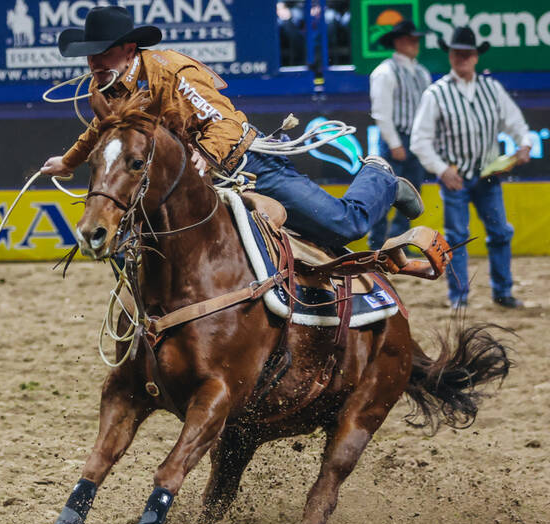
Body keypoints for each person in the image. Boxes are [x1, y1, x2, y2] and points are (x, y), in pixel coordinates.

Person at [41, 6, 423, 251]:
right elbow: (104, 128)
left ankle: (379, 178)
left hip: (246, 166)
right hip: (190, 180)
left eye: (101, 51)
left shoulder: (171, 69)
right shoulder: (105, 83)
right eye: (90, 53)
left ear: (128, 49)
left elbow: (221, 120)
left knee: (341, 227)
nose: (92, 60)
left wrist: (205, 156)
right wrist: (70, 161)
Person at [409, 26, 534, 309]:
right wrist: (441, 169)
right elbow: (420, 140)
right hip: (456, 178)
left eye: (467, 53)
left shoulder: (493, 89)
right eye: (457, 53)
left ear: (476, 56)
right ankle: (459, 298)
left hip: (489, 176)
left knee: (500, 232)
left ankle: (502, 292)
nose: (462, 58)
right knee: (457, 238)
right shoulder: (436, 93)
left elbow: (516, 124)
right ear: (450, 55)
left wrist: (524, 144)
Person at [367, 19, 431, 250]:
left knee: (411, 197)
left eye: (415, 39)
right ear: (399, 42)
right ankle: (377, 246)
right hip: (398, 139)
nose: (415, 43)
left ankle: (395, 246)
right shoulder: (385, 72)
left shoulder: (422, 73)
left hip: (416, 140)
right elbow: (381, 112)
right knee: (386, 197)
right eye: (410, 39)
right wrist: (394, 142)